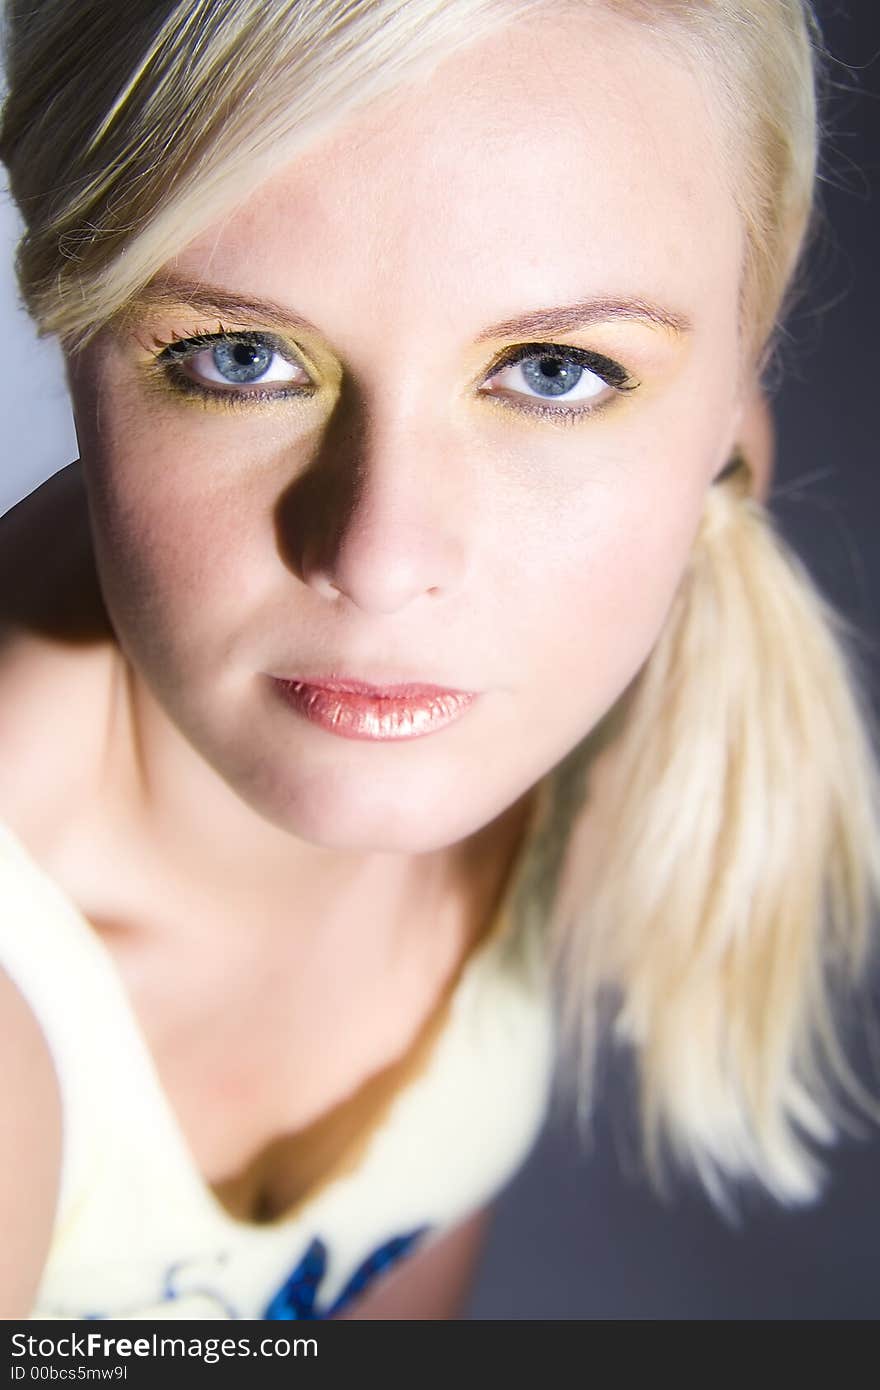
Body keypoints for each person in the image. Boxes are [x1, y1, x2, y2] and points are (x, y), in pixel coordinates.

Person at [0, 0, 877, 1321]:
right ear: (65, 307)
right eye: (242, 357)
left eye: (554, 371)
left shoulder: (627, 653)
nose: (380, 555)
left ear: (729, 396)